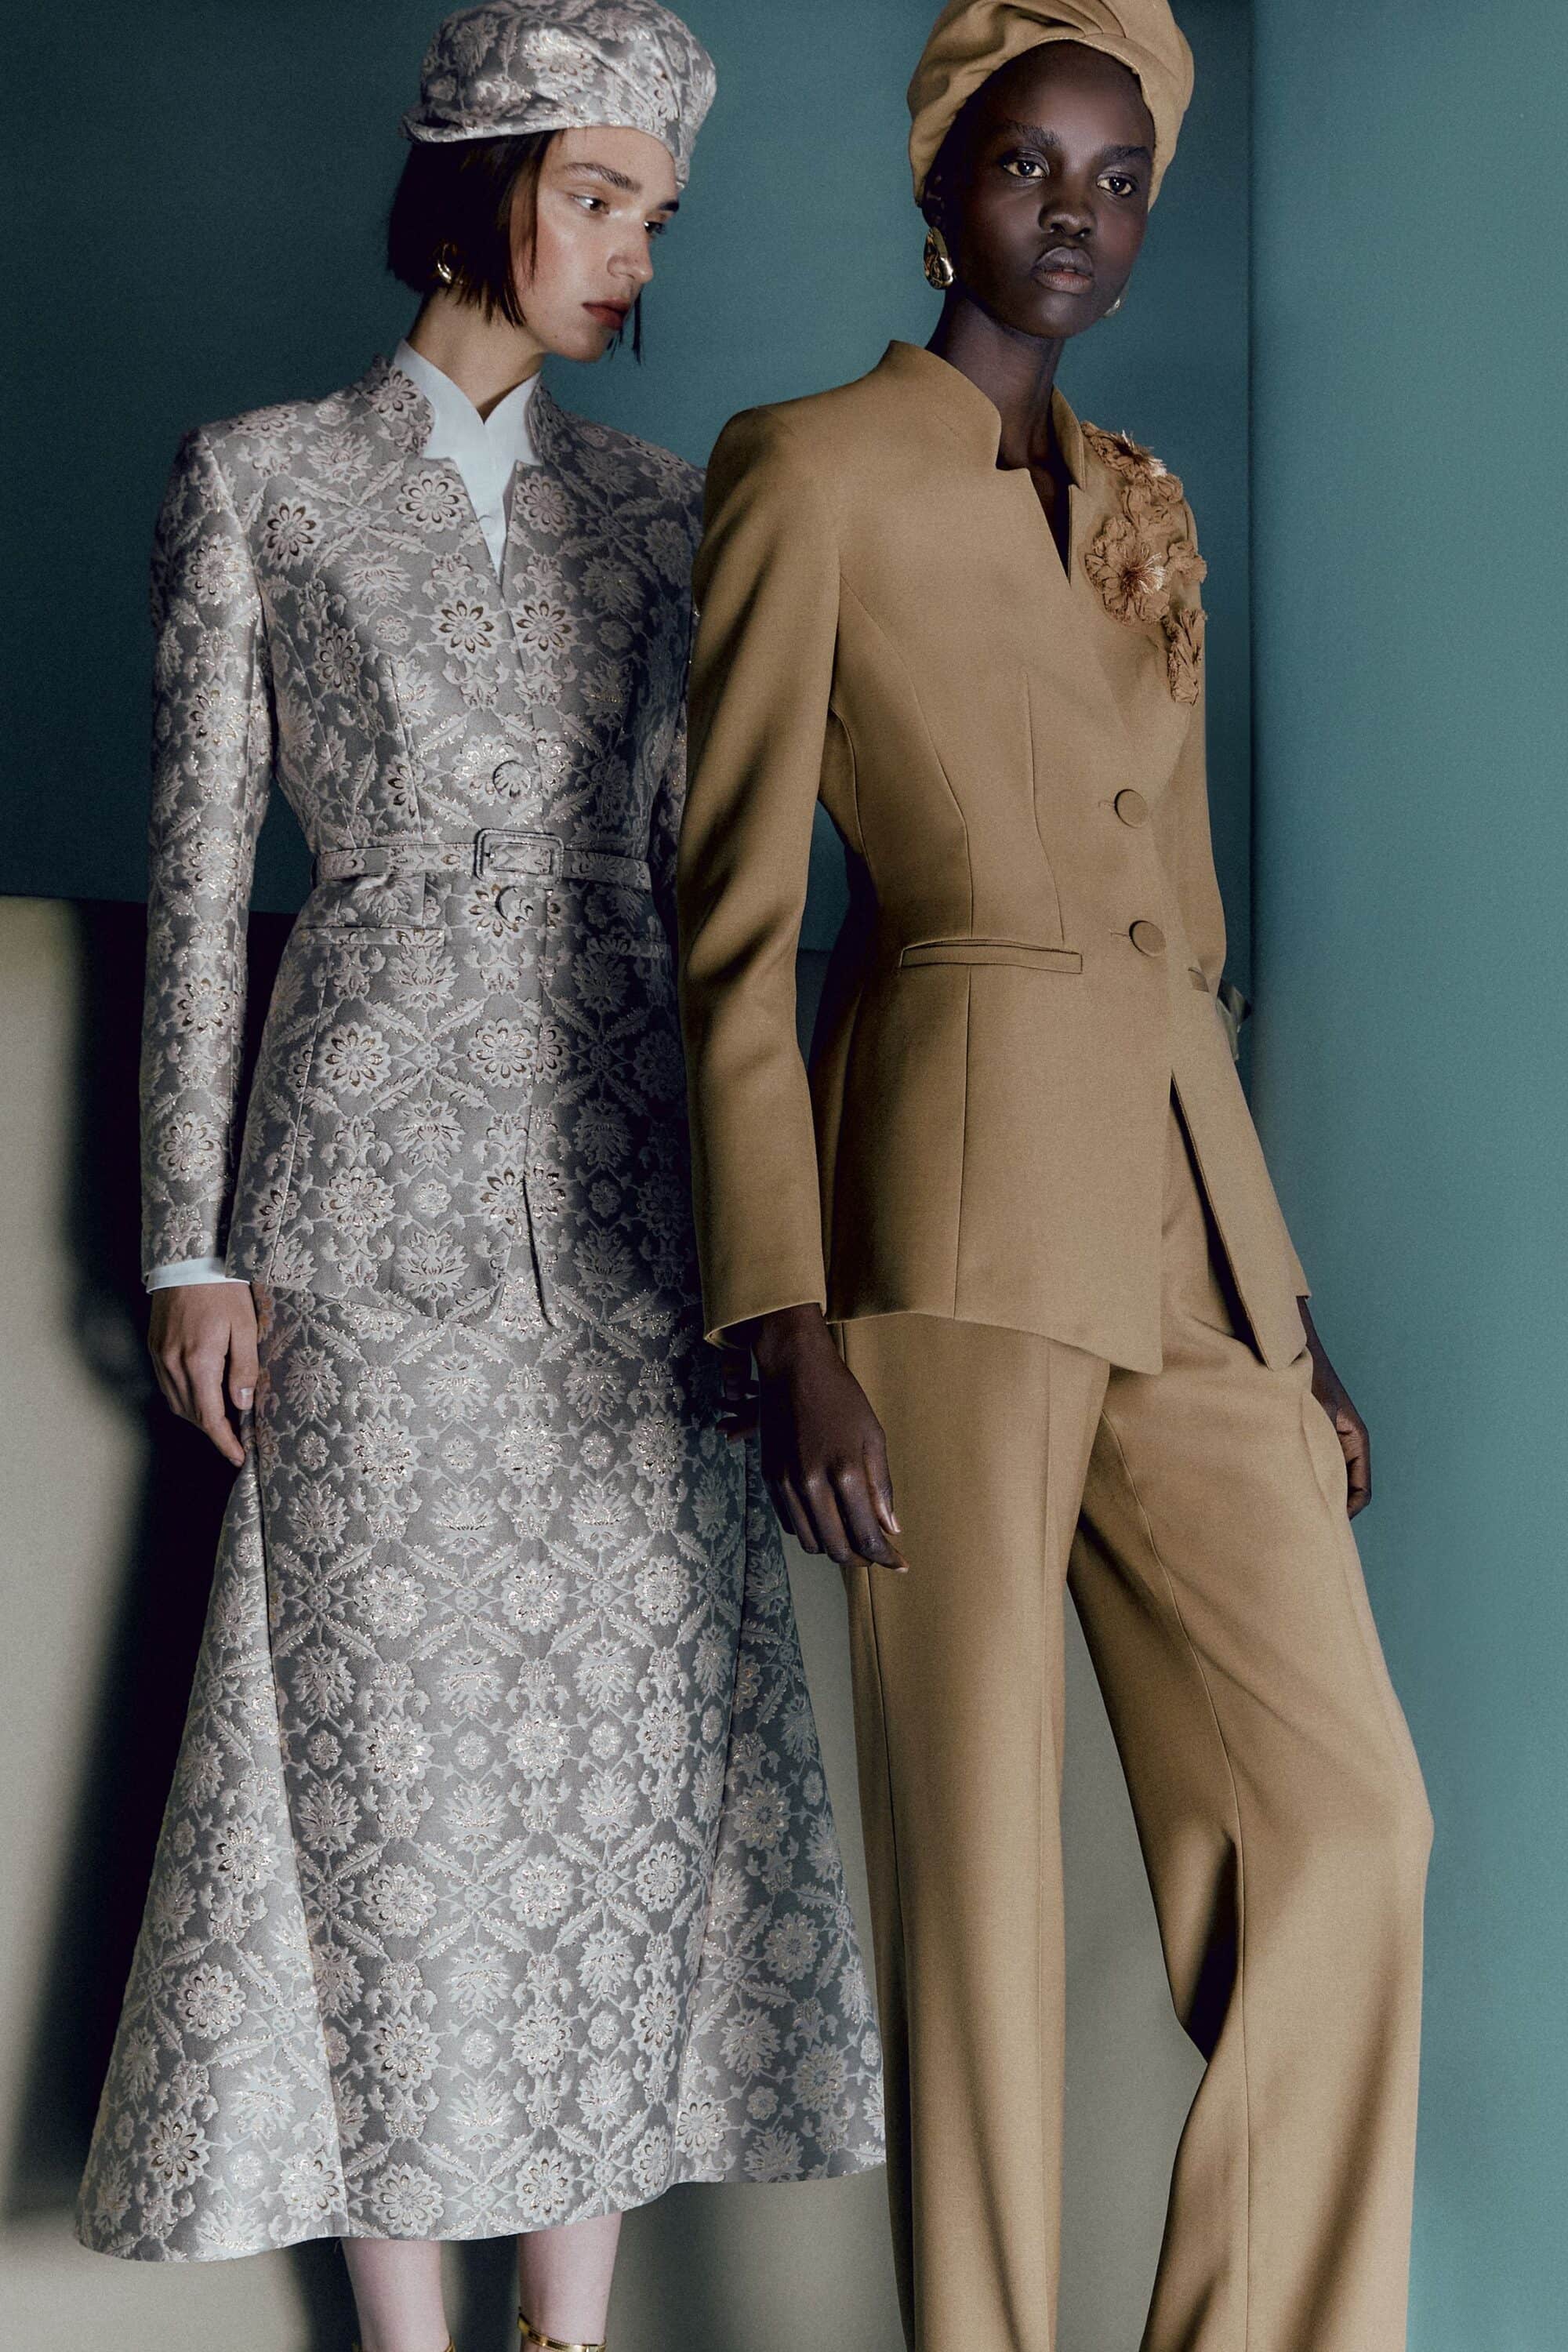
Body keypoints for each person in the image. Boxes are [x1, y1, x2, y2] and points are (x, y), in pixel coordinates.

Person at [74, 7, 883, 2347]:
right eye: (598, 197)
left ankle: (568, 2332)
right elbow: (201, 881)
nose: (634, 254)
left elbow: (727, 893)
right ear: (480, 183)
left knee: (616, 1786)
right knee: (390, 1789)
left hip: (642, 1213)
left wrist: (773, 1247)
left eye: (659, 217)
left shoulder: (668, 511)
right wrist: (194, 1239)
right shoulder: (262, 480)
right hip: (358, 1220)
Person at [674, 2, 1432, 2347]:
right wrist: (782, 1316)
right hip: (942, 1224)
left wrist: (1285, 1311)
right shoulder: (806, 470)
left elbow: (1180, 932)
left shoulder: (1148, 510)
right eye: (1028, 165)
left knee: (1351, 1832)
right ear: (942, 188)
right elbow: (734, 931)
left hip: (1187, 1238)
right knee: (981, 1896)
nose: (1074, 213)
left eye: (1117, 178)